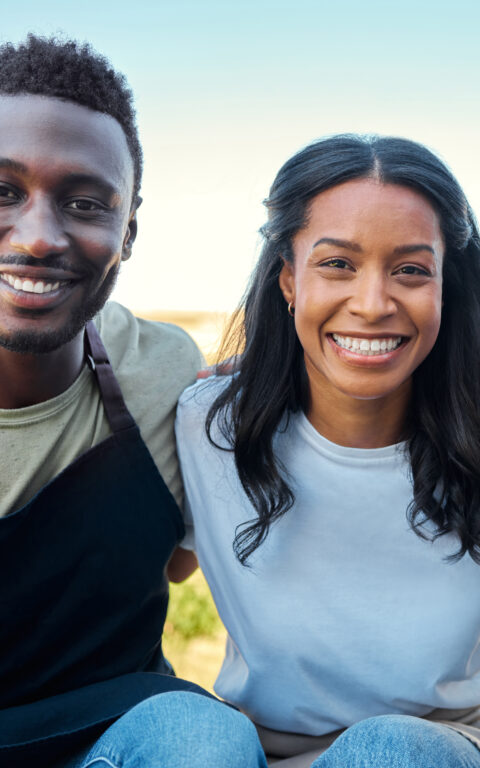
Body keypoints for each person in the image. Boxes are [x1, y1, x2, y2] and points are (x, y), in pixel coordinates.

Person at [176, 134, 480, 768]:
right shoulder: (210, 425)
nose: (372, 303)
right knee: (182, 729)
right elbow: (162, 564)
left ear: (448, 286)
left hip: (435, 749)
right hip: (254, 750)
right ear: (288, 277)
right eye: (337, 264)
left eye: (412, 269)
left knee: (382, 752)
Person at [0, 35, 264, 767]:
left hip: (115, 735)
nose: (39, 237)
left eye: (85, 203)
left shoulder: (165, 370)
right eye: (2, 192)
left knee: (204, 739)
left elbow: (178, 559)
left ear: (128, 233)